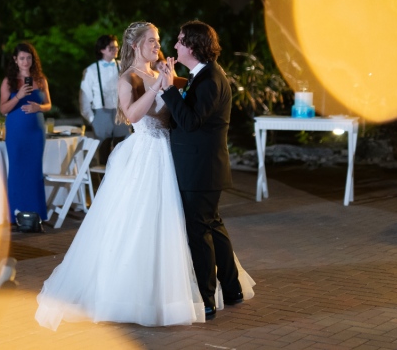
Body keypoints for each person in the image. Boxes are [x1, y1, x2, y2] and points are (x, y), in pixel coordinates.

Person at [35, 22, 253, 330]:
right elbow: (133, 115)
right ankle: (139, 292)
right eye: (152, 40)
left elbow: (188, 102)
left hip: (172, 156)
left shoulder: (166, 74)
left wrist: (167, 80)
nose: (159, 43)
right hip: (146, 154)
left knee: (182, 224)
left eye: (160, 40)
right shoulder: (129, 77)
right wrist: (158, 87)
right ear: (136, 45)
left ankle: (198, 288)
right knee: (142, 223)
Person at [159, 20, 245, 320]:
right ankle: (232, 290)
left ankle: (207, 300)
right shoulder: (202, 76)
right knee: (213, 228)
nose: (175, 46)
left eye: (181, 41)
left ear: (193, 46)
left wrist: (169, 89)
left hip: (201, 170)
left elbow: (191, 122)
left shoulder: (209, 80)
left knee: (199, 233)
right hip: (203, 168)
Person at [0, 43, 52, 223]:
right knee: (16, 170)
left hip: (35, 132)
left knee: (34, 171)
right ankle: (15, 214)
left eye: (28, 58)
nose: (25, 61)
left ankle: (37, 214)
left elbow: (48, 105)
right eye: (22, 58)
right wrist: (18, 96)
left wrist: (39, 107)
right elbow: (3, 108)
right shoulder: (9, 81)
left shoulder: (40, 80)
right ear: (15, 60)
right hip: (16, 132)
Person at [79, 35, 131, 165]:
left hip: (120, 112)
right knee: (103, 153)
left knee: (123, 150)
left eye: (116, 47)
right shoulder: (91, 70)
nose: (115, 50)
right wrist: (93, 119)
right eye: (111, 47)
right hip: (101, 113)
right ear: (102, 50)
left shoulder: (123, 67)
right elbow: (84, 96)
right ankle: (104, 182)